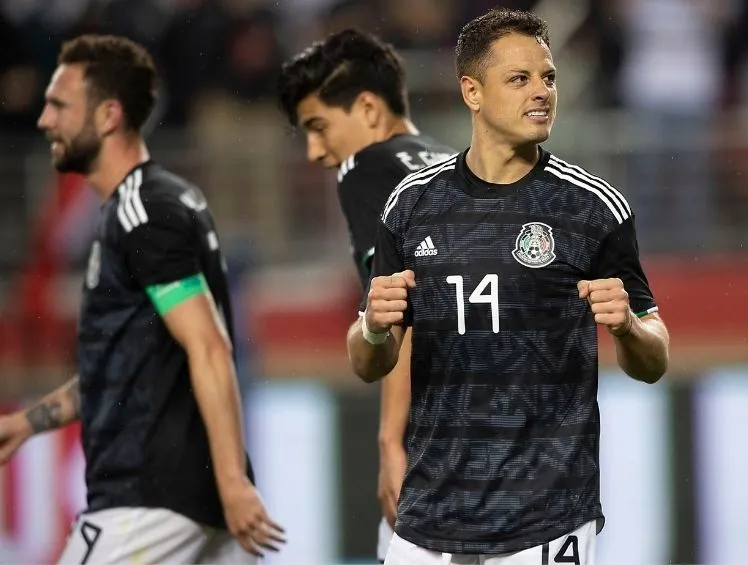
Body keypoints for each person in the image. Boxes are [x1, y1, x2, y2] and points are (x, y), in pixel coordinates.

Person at [347, 8, 670, 565]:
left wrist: (629, 328)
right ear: (472, 91)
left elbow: (654, 360)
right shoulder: (411, 205)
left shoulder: (592, 208)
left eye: (548, 77)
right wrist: (373, 327)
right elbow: (367, 362)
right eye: (519, 79)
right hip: (429, 517)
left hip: (545, 520)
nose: (542, 92)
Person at [0, 34, 284, 564]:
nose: (44, 120)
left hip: (148, 504)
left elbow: (209, 345)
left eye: (59, 105)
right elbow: (127, 367)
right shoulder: (151, 205)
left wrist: (232, 482)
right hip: (188, 505)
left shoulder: (144, 211)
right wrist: (27, 423)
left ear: (108, 115)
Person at [277, 28, 455, 563]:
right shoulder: (456, 164)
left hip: (435, 449)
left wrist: (390, 442)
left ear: (369, 109)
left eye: (318, 127)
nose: (315, 151)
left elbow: (402, 307)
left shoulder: (367, 168)